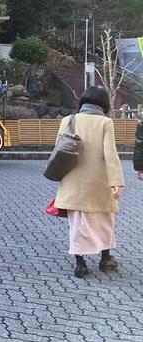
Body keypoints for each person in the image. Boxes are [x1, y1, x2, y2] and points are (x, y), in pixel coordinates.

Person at [54, 86, 124, 278]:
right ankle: (106, 259)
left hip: (72, 181)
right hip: (99, 183)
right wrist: (116, 182)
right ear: (104, 103)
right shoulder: (105, 122)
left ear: (83, 101)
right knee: (104, 221)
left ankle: (80, 264)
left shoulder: (68, 120)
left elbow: (58, 149)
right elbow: (111, 154)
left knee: (77, 225)